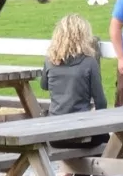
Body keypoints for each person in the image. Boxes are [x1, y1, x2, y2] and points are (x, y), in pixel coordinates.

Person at [41, 13, 109, 165]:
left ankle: (70, 174)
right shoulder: (89, 63)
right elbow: (101, 102)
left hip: (54, 135)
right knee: (107, 141)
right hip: (82, 134)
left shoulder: (50, 61)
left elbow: (44, 85)